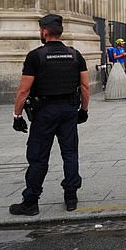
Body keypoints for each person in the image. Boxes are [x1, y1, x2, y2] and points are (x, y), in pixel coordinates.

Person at [10, 14, 90, 215]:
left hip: (44, 112)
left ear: (44, 32)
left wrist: (17, 116)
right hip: (69, 110)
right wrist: (84, 110)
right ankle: (71, 197)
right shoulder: (75, 55)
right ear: (60, 32)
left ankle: (31, 201)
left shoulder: (36, 56)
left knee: (38, 157)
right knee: (70, 153)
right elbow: (85, 86)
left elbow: (23, 90)